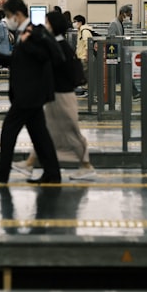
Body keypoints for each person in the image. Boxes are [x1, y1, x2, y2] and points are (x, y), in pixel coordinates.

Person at [0, 0, 63, 185]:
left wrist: (27, 44)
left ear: (18, 15)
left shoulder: (34, 32)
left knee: (8, 131)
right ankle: (52, 174)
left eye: (9, 16)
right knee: (40, 135)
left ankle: (2, 172)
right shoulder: (25, 32)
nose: (8, 20)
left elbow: (48, 57)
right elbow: (21, 62)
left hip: (29, 94)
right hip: (31, 94)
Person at [13, 11, 96, 180]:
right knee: (46, 131)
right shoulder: (56, 43)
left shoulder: (60, 46)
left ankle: (86, 165)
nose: (45, 24)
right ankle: (30, 162)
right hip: (55, 94)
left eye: (47, 22)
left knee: (71, 132)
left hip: (62, 96)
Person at [73, 15, 92, 96]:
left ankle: (87, 91)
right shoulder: (80, 30)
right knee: (84, 75)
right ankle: (85, 91)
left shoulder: (84, 31)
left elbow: (87, 44)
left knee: (85, 75)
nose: (74, 23)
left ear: (80, 22)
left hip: (84, 57)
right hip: (81, 56)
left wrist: (87, 56)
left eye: (75, 21)